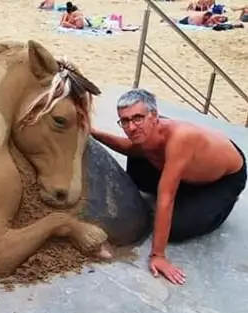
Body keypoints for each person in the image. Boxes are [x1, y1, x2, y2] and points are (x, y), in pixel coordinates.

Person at [91, 89, 246, 285]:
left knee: (175, 228)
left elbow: (166, 197)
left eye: (137, 118)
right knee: (138, 168)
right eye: (125, 121)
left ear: (154, 116)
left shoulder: (180, 138)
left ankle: (224, 204)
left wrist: (158, 255)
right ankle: (186, 187)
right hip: (188, 168)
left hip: (223, 179)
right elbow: (128, 147)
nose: (131, 127)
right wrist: (93, 132)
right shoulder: (146, 131)